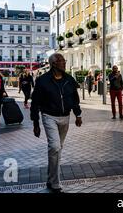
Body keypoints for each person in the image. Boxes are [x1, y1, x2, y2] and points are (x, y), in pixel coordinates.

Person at [31, 53, 82, 193]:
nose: (64, 63)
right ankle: (55, 183)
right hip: (49, 116)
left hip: (65, 117)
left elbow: (74, 99)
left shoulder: (69, 79)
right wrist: (35, 123)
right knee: (55, 146)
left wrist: (78, 114)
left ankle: (50, 179)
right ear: (53, 64)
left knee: (57, 149)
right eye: (61, 61)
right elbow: (35, 102)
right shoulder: (42, 80)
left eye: (64, 60)